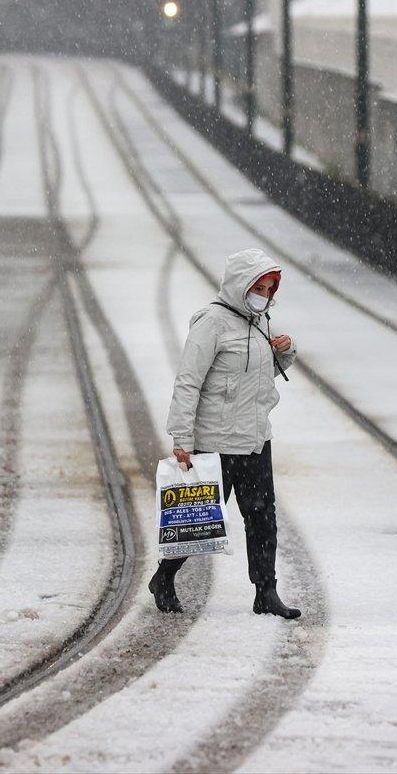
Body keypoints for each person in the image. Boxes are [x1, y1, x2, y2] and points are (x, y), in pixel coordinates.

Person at [154, 248, 301, 619]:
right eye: (259, 287)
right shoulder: (212, 323)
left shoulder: (259, 322)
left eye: (270, 290)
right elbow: (188, 382)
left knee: (262, 520)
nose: (265, 296)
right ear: (241, 286)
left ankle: (266, 593)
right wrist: (182, 440)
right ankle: (164, 577)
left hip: (254, 441)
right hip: (215, 444)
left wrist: (284, 352)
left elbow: (255, 377)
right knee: (197, 523)